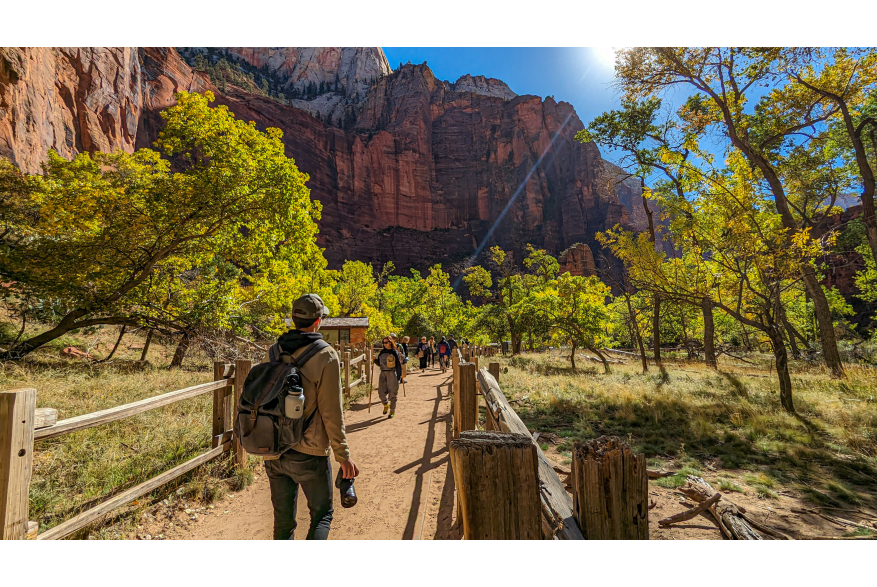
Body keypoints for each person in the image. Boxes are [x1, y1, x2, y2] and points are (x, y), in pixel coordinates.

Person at [262, 293, 359, 540]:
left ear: (293, 319)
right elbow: (331, 412)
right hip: (310, 452)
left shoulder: (273, 352)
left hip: (274, 451)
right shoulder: (325, 355)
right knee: (322, 516)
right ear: (319, 321)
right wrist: (343, 456)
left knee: (283, 523)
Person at [373, 336, 403, 418]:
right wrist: (374, 360)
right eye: (383, 343)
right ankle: (385, 404)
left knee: (393, 394)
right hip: (383, 373)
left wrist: (399, 376)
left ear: (390, 342)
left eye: (386, 342)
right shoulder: (382, 352)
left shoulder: (394, 352)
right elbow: (379, 363)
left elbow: (398, 364)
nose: (384, 344)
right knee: (381, 392)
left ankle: (392, 411)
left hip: (392, 373)